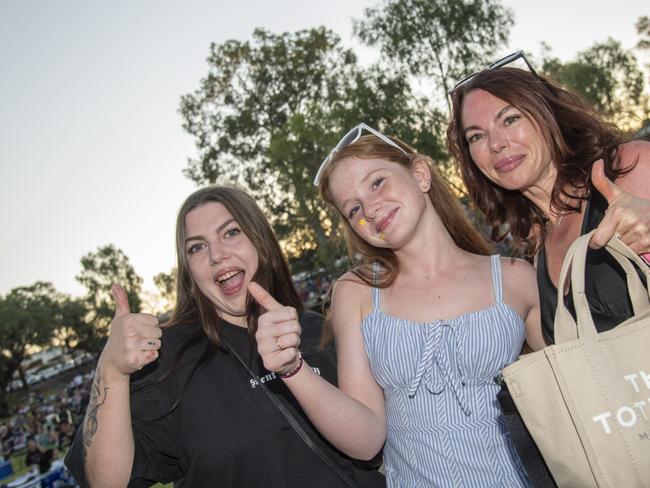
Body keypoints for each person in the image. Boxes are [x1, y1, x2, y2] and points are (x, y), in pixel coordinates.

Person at [252, 124, 545, 487]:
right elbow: (366, 440)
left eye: (377, 182)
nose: (370, 209)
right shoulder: (356, 293)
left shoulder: (515, 278)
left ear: (420, 174)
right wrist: (293, 368)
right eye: (353, 208)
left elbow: (571, 399)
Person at [64, 186, 385, 488]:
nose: (216, 255)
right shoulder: (167, 359)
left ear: (260, 240)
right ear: (189, 271)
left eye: (231, 232)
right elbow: (104, 482)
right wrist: (111, 370)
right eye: (197, 247)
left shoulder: (317, 329)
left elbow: (374, 442)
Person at [446, 51, 650, 343]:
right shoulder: (533, 247)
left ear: (546, 114)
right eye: (476, 136)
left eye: (510, 119)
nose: (496, 144)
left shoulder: (628, 168)